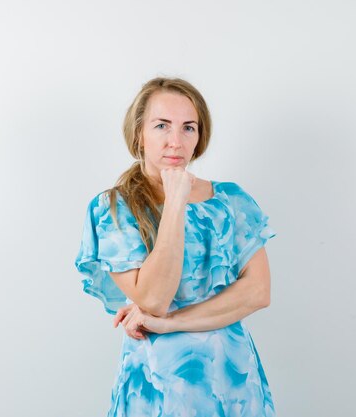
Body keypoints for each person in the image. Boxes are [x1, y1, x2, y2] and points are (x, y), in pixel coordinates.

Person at [74, 77, 278, 417]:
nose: (176, 141)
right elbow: (154, 298)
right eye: (161, 126)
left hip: (232, 378)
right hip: (158, 381)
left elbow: (258, 292)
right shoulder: (114, 208)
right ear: (139, 134)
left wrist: (170, 323)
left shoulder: (231, 199)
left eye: (188, 128)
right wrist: (175, 201)